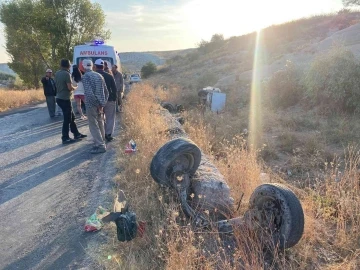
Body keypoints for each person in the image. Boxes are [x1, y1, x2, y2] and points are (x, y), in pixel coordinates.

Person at [55, 59, 87, 144]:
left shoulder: (57, 73)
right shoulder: (66, 74)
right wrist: (75, 87)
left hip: (59, 98)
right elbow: (69, 87)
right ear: (68, 65)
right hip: (65, 99)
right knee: (67, 119)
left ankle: (76, 133)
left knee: (71, 117)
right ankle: (65, 137)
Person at [82, 59, 108, 154]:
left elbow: (89, 94)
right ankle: (102, 141)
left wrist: (97, 104)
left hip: (91, 105)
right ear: (92, 66)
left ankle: (100, 145)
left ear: (83, 66)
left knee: (93, 125)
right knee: (100, 123)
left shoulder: (85, 77)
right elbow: (106, 92)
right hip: (100, 104)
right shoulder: (99, 75)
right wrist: (102, 104)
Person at [95, 59, 117, 142]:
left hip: (98, 101)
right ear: (103, 66)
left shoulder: (94, 76)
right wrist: (114, 99)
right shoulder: (109, 76)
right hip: (109, 99)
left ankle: (102, 134)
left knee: (100, 118)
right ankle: (108, 134)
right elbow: (114, 89)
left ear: (95, 66)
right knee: (110, 117)